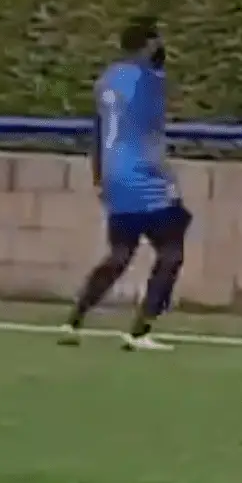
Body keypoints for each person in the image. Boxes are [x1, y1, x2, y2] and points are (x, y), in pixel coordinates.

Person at [60, 17, 191, 351]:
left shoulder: (106, 81)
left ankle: (74, 320)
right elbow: (152, 132)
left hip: (115, 175)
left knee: (120, 253)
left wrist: (99, 176)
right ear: (150, 44)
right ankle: (140, 330)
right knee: (171, 251)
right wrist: (167, 179)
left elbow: (97, 131)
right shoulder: (150, 81)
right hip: (145, 175)